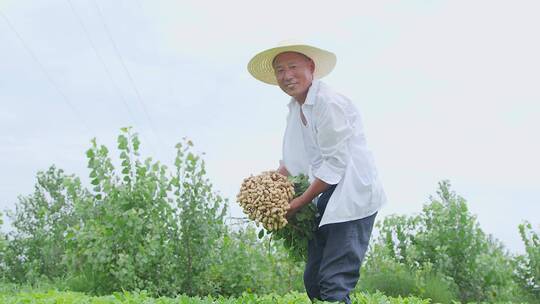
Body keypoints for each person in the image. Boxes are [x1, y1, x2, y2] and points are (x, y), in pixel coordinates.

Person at [247, 42, 387, 303]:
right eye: (280, 70)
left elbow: (335, 164)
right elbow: (292, 162)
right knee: (314, 281)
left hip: (350, 196)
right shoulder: (295, 109)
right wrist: (264, 191)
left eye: (293, 67)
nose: (287, 75)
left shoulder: (327, 103)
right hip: (323, 195)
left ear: (311, 68)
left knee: (334, 282)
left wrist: (298, 202)